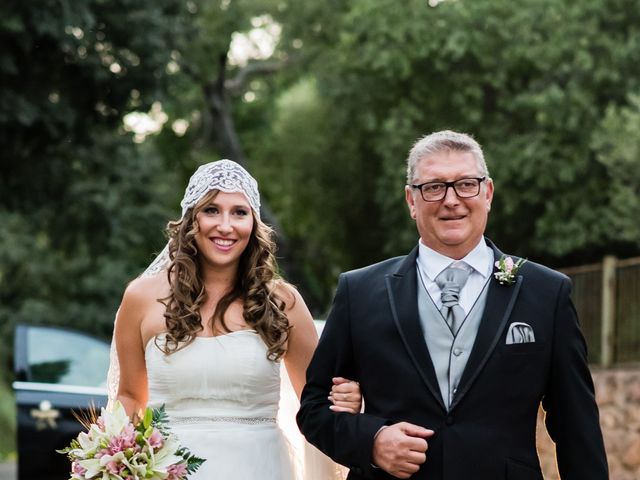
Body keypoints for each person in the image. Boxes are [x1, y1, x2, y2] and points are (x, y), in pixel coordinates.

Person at [297, 131, 609, 479]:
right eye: (433, 187)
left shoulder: (547, 293)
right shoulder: (359, 291)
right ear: (411, 200)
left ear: (487, 193)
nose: (451, 200)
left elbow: (576, 425)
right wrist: (372, 441)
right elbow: (314, 409)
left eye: (466, 184)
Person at [109, 159, 361, 479]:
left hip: (261, 468)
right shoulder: (141, 298)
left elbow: (318, 401)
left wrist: (349, 398)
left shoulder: (283, 302)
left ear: (254, 224)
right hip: (168, 470)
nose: (226, 226)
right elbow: (130, 396)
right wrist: (116, 461)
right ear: (191, 219)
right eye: (211, 210)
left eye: (239, 212)